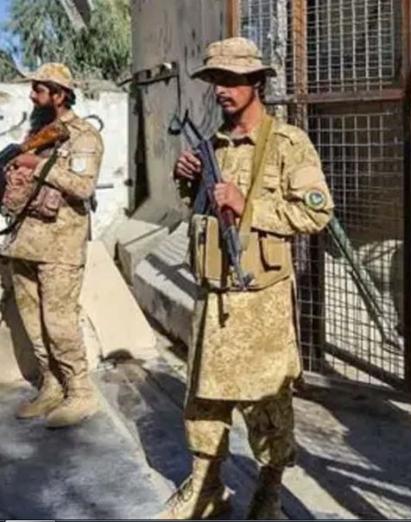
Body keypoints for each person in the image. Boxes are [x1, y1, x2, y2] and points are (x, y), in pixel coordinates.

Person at [158, 37, 334, 519]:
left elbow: (316, 213)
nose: (222, 89)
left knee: (267, 404)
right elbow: (200, 211)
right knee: (204, 400)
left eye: (233, 79)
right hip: (213, 296)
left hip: (262, 302)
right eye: (217, 79)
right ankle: (206, 487)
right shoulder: (211, 144)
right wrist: (187, 178)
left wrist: (247, 205)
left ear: (257, 82)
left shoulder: (287, 143)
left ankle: (268, 492)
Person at [5, 63, 104, 429]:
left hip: (60, 247)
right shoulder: (35, 134)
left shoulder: (84, 136)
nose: (32, 96)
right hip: (23, 243)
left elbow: (83, 187)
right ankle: (51, 385)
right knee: (34, 325)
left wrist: (37, 165)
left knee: (59, 324)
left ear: (59, 95)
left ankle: (80, 392)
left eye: (39, 90)